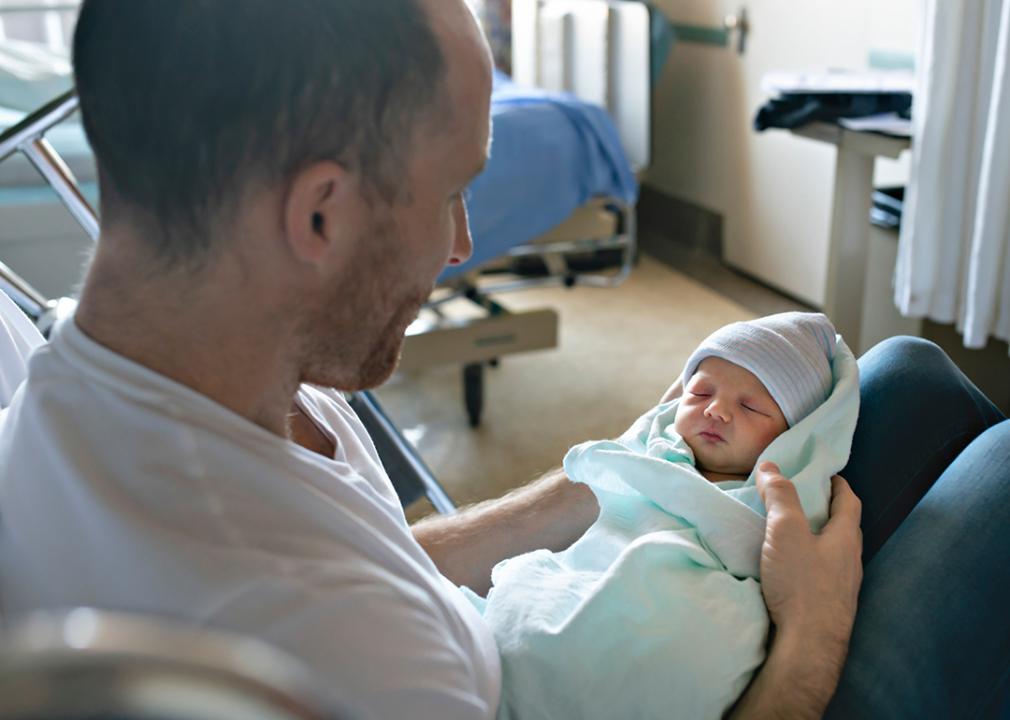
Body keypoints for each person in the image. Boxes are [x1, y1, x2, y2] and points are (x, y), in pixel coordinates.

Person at [0, 1, 1006, 718]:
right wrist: (809, 643)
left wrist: (602, 478)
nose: (457, 244)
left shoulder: (146, 367)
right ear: (318, 213)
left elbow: (376, 554)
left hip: (488, 626)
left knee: (905, 375)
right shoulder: (346, 656)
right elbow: (354, 601)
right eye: (452, 192)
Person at [469, 312, 860, 719]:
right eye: (700, 393)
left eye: (750, 406)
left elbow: (772, 555)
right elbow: (617, 477)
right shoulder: (660, 449)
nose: (717, 410)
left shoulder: (779, 494)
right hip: (599, 567)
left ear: (792, 435)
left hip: (691, 604)